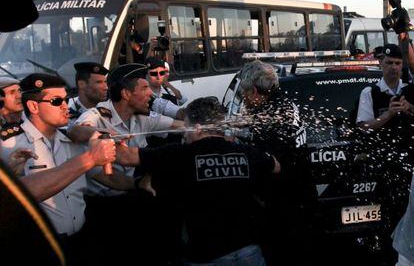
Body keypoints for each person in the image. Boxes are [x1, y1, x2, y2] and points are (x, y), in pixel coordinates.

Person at [116, 97, 280, 265]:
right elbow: (276, 166)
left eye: (186, 127)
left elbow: (125, 156)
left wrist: (102, 135)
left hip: (206, 256)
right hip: (249, 253)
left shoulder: (179, 154)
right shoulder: (246, 152)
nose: (184, 133)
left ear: (198, 129)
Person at [67, 63, 184, 264]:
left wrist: (208, 128)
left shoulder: (142, 118)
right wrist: (103, 136)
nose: (150, 94)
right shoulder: (96, 116)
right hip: (101, 209)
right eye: (144, 88)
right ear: (126, 94)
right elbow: (77, 131)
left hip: (130, 197)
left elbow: (179, 126)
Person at [0, 73, 116, 265]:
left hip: (82, 239)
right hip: (39, 250)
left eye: (66, 99)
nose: (65, 106)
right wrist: (12, 172)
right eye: (56, 101)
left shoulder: (72, 137)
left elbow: (102, 178)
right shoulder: (7, 145)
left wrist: (137, 181)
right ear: (34, 106)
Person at [237, 60, 314, 265]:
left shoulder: (270, 118)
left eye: (243, 92)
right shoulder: (284, 103)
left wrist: (238, 149)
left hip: (283, 205)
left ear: (254, 90)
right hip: (302, 195)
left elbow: (271, 163)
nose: (242, 98)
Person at [356, 43, 414, 264]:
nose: (394, 68)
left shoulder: (410, 90)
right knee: (385, 223)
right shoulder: (370, 92)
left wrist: (409, 108)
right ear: (380, 64)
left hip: (409, 167)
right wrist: (388, 114)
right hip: (384, 169)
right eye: (389, 63)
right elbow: (363, 127)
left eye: (398, 63)